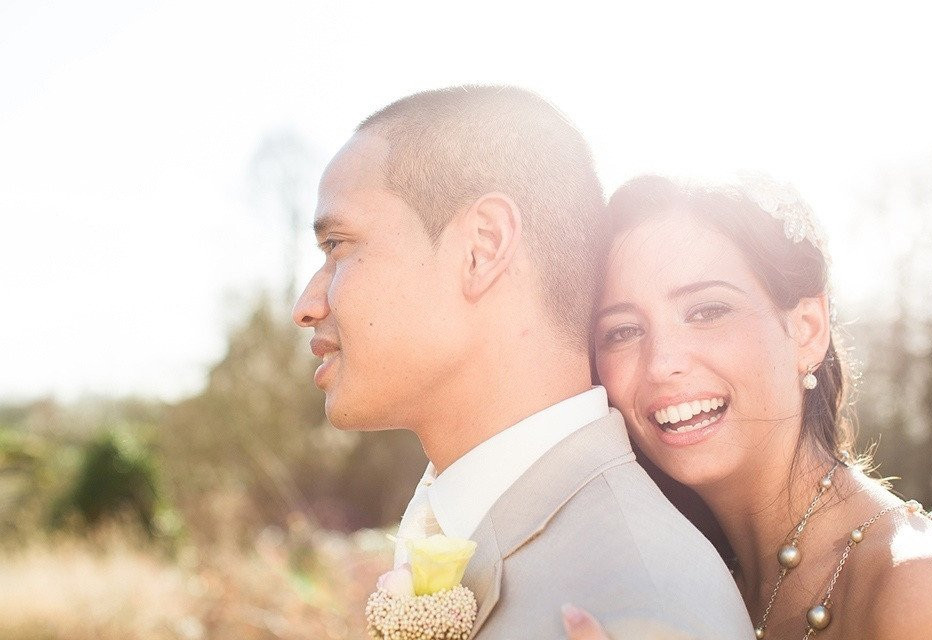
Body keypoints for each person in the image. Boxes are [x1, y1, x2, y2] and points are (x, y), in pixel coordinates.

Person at [292, 87, 753, 639]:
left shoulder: (642, 608)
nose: (307, 306)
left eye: (338, 245)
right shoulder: (463, 529)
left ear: (482, 247)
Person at [561, 174, 932, 640]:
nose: (661, 364)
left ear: (808, 329)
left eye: (707, 311)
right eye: (623, 331)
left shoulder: (926, 590)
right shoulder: (673, 582)